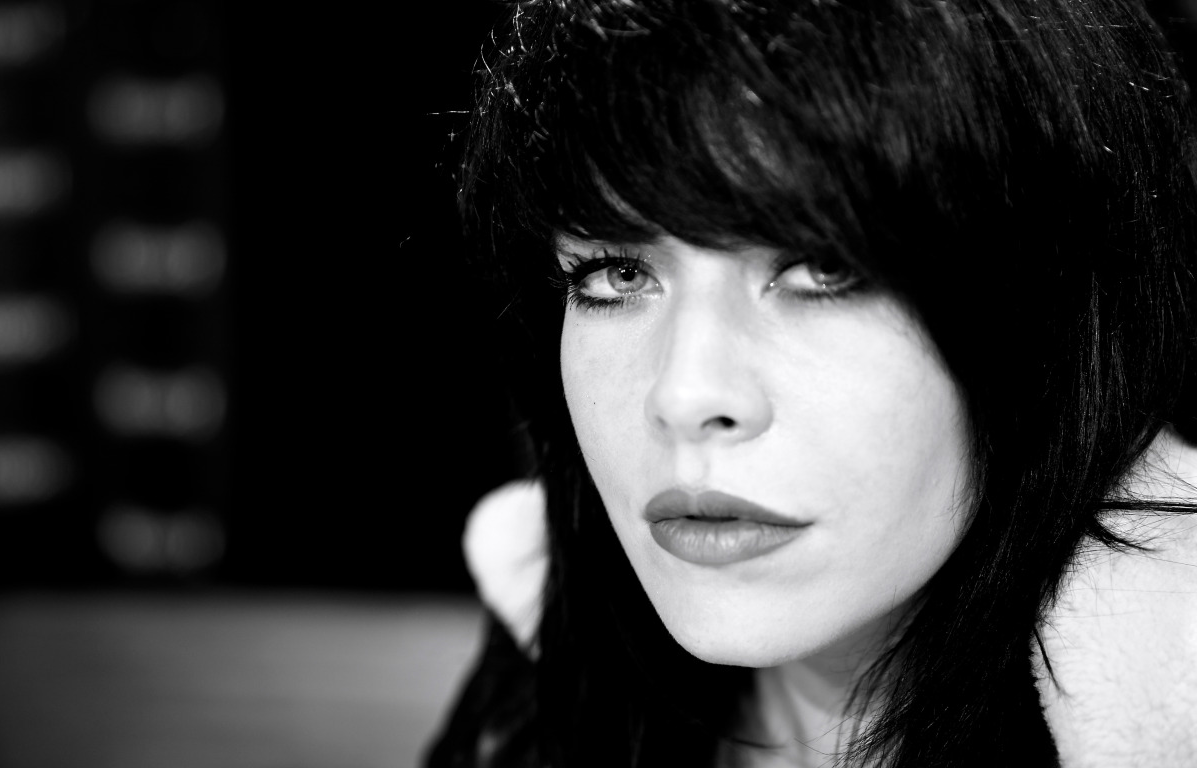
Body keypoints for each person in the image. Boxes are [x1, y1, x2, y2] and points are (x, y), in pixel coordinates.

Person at [427, 1, 1197, 766]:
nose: (685, 396)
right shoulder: (541, 685)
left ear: (1053, 310)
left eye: (823, 268)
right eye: (617, 272)